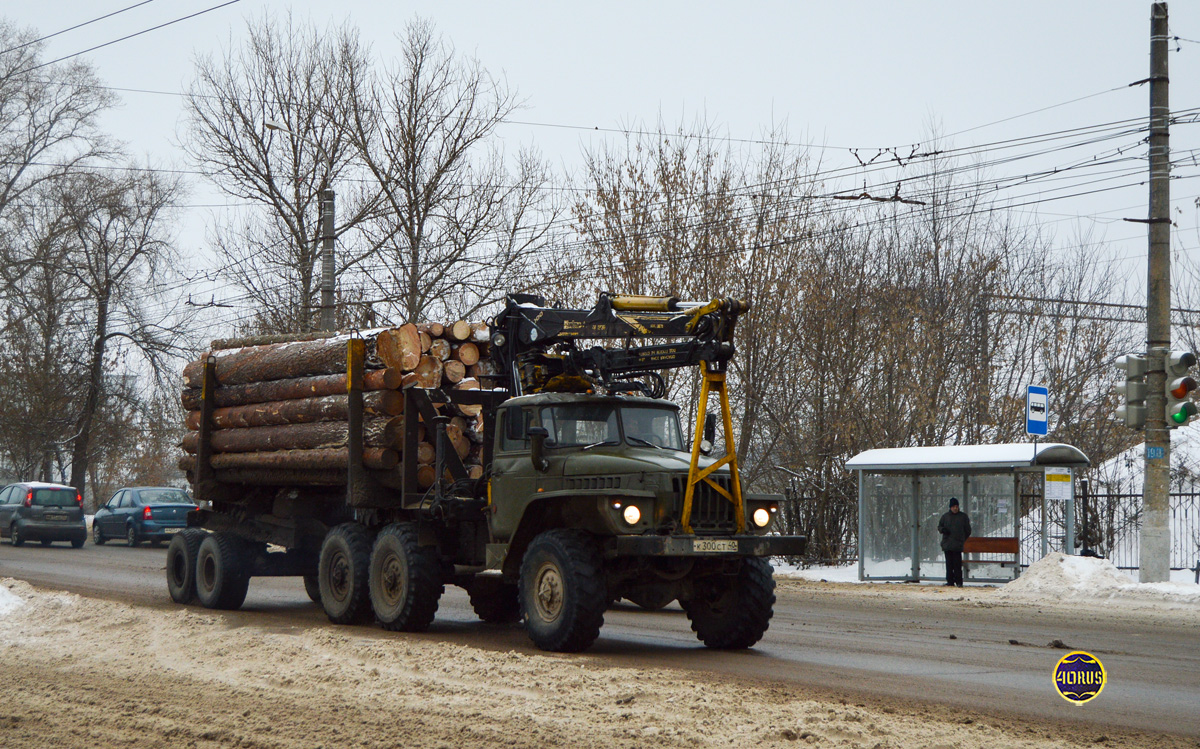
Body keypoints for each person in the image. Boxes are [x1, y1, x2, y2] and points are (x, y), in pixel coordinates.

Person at [937, 497, 971, 587]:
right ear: (950, 507)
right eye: (953, 506)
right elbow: (939, 526)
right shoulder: (945, 517)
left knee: (957, 564)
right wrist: (943, 530)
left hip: (957, 545)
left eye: (956, 506)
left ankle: (959, 581)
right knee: (949, 564)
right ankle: (950, 581)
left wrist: (961, 538)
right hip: (947, 545)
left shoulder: (963, 517)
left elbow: (968, 530)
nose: (955, 508)